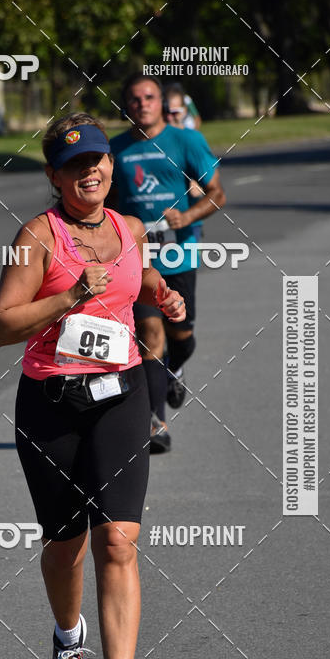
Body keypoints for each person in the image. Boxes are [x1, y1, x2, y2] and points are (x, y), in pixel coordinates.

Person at [0, 113, 185, 659]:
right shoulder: (36, 238)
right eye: (75, 166)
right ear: (54, 176)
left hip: (120, 395)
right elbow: (0, 327)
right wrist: (67, 297)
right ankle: (68, 636)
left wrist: (161, 291)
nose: (90, 171)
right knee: (64, 546)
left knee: (118, 543)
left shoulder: (128, 227)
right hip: (51, 403)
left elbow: (136, 282)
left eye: (96, 160)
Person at [110, 73, 226, 453]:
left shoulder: (185, 141)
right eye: (134, 99)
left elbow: (217, 194)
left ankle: (175, 368)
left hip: (179, 252)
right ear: (126, 105)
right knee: (149, 334)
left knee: (181, 335)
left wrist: (187, 217)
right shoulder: (116, 150)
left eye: (149, 97)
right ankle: (155, 422)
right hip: (138, 259)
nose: (142, 104)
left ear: (162, 102)